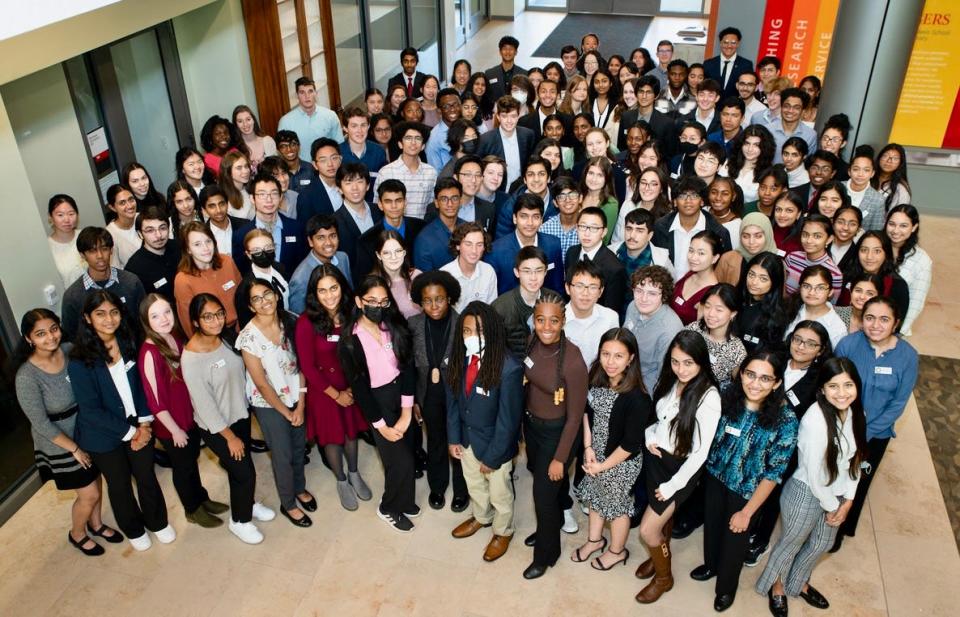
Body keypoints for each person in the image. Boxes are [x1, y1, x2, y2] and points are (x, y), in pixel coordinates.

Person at [756, 356, 867, 615]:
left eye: (848, 385)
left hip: (837, 492)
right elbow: (817, 475)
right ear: (822, 390)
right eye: (834, 386)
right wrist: (832, 506)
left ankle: (799, 582)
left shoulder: (857, 412)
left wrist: (849, 499)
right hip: (806, 492)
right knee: (791, 543)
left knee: (821, 544)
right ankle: (777, 586)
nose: (842, 393)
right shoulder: (814, 420)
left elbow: (856, 459)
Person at [692, 350, 797, 612]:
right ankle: (711, 565)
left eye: (765, 378)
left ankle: (726, 588)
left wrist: (748, 512)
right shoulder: (727, 398)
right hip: (715, 477)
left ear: (776, 383)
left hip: (748, 492)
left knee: (735, 540)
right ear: (741, 374)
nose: (755, 383)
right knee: (713, 527)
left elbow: (774, 473)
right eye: (750, 374)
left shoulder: (786, 420)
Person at [68, 290, 173, 551]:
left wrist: (145, 425)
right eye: (100, 314)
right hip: (103, 436)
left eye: (114, 312)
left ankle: (158, 522)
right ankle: (134, 529)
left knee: (146, 476)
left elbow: (141, 387)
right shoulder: (79, 361)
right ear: (88, 318)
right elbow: (91, 411)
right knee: (120, 484)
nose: (109, 319)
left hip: (140, 424)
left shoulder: (129, 343)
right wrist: (132, 432)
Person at [14, 308, 119, 556]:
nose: (50, 337)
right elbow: (40, 422)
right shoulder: (26, 377)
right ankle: (77, 533)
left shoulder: (70, 351)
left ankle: (96, 525)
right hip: (59, 442)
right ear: (29, 339)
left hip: (85, 429)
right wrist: (75, 449)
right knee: (89, 493)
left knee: (96, 481)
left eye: (53, 329)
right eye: (40, 334)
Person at [635, 330, 721, 604]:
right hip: (657, 459)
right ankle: (659, 553)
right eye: (675, 361)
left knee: (648, 529)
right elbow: (659, 418)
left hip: (680, 471)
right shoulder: (671, 380)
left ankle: (664, 577)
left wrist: (672, 485)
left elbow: (700, 453)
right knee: (661, 523)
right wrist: (650, 437)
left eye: (688, 363)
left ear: (700, 362)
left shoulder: (709, 397)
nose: (681, 369)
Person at [181, 293, 273, 544]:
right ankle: (240, 522)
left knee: (237, 470)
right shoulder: (191, 359)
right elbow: (205, 406)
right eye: (207, 317)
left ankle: (247, 503)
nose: (216, 321)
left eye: (219, 314)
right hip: (218, 428)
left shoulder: (226, 338)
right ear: (196, 321)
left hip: (240, 415)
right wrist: (229, 437)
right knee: (245, 473)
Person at [832, 297, 918, 552]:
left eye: (884, 319)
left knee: (858, 481)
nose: (875, 325)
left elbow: (898, 402)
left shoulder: (908, 356)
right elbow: (833, 386)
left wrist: (864, 433)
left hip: (875, 435)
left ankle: (843, 528)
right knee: (834, 476)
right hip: (841, 426)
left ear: (896, 323)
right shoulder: (848, 345)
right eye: (870, 318)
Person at [746, 320, 834, 565]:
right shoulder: (776, 359)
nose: (802, 347)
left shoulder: (819, 379)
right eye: (798, 339)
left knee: (771, 492)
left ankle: (760, 540)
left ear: (821, 349)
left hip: (787, 446)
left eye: (810, 344)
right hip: (754, 434)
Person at [445, 300, 524, 560]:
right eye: (466, 331)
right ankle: (482, 517)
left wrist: (493, 457)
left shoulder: (508, 367)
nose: (471, 337)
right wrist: (454, 438)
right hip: (467, 440)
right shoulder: (459, 358)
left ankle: (503, 530)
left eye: (478, 331)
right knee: (474, 485)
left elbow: (508, 421)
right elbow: (454, 403)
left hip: (495, 447)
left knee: (500, 493)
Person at [137, 293, 226, 528]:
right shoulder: (149, 352)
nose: (164, 319)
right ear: (146, 321)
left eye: (167, 312)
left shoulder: (173, 337)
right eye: (155, 316)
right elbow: (155, 402)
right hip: (171, 427)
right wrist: (174, 430)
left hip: (188, 418)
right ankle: (192, 509)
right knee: (183, 468)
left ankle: (202, 499)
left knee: (192, 462)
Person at [338, 275, 418, 532]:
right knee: (399, 461)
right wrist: (381, 425)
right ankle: (389, 507)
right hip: (377, 401)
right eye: (371, 301)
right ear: (359, 302)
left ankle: (404, 500)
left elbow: (407, 366)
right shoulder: (350, 341)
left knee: (409, 451)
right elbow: (360, 389)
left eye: (383, 301)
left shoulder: (394, 325)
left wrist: (407, 411)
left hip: (402, 394)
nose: (378, 306)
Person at [521, 291, 588, 579]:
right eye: (540, 320)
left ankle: (546, 555)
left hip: (558, 434)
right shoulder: (532, 341)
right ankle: (549, 531)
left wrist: (561, 458)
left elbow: (575, 417)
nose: (546, 327)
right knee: (547, 488)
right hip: (533, 428)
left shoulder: (573, 360)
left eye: (553, 321)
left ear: (563, 321)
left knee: (542, 496)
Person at [236, 277, 313, 527]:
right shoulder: (248, 337)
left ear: (277, 295)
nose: (264, 301)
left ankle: (300, 488)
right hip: (269, 404)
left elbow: (303, 363)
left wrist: (300, 404)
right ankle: (288, 502)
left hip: (296, 394)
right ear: (250, 306)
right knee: (282, 454)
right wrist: (286, 412)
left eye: (267, 294)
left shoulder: (291, 320)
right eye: (256, 299)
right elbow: (260, 382)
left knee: (299, 447)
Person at [573, 328, 653, 570]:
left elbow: (630, 445)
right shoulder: (596, 377)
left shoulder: (638, 398)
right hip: (595, 453)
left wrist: (602, 466)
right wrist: (588, 448)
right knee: (596, 498)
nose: (610, 362)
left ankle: (617, 551)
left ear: (631, 359)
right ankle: (594, 541)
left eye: (618, 356)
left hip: (621, 461)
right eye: (605, 353)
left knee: (617, 508)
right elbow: (587, 414)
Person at [294, 265, 371, 510]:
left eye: (334, 288)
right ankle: (341, 480)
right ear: (314, 294)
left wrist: (352, 390)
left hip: (350, 387)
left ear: (342, 287)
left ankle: (354, 473)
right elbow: (307, 367)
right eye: (322, 290)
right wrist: (336, 394)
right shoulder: (306, 322)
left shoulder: (352, 314)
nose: (329, 296)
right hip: (324, 392)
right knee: (332, 439)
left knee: (351, 433)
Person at [408, 270, 469, 512]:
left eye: (440, 299)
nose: (434, 305)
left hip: (456, 395)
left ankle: (461, 489)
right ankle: (437, 486)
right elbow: (408, 367)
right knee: (435, 440)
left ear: (450, 298)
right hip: (428, 394)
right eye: (427, 300)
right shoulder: (413, 325)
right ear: (420, 301)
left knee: (458, 442)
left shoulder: (464, 324)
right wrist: (413, 400)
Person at [61, 227, 146, 341]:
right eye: (92, 251)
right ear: (82, 255)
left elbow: (144, 322)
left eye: (104, 249)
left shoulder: (131, 282)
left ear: (111, 250)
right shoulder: (73, 296)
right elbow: (71, 338)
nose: (100, 255)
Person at [653, 176, 732, 278]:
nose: (688, 200)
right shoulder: (660, 227)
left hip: (703, 290)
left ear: (702, 201)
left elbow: (724, 269)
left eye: (694, 195)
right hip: (667, 289)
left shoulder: (718, 232)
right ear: (675, 202)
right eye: (682, 196)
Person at [487, 193, 565, 295]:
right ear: (515, 218)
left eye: (535, 217)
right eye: (524, 216)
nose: (530, 223)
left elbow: (557, 288)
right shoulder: (496, 251)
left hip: (544, 307)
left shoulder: (553, 245)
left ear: (541, 220)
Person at [564, 207, 627, 320]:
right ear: (577, 228)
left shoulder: (614, 268)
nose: (587, 233)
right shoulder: (571, 252)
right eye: (583, 227)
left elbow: (611, 310)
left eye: (594, 228)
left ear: (604, 232)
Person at [684, 283, 747, 390]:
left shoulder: (737, 351)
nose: (711, 314)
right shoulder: (694, 329)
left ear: (733, 314)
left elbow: (739, 388)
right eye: (707, 307)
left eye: (719, 310)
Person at [288, 214, 352, 314]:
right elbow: (298, 317)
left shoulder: (343, 258)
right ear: (310, 241)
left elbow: (349, 295)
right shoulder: (300, 279)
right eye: (321, 238)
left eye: (333, 236)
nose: (328, 242)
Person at [840, 231, 910, 321]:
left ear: (886, 254)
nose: (869, 257)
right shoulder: (847, 276)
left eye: (877, 251)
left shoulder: (898, 286)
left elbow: (896, 323)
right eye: (864, 250)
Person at [374, 121, 438, 220]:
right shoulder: (386, 172)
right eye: (408, 138)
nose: (413, 142)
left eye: (418, 138)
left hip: (422, 228)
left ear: (423, 146)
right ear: (400, 144)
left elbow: (432, 206)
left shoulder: (431, 173)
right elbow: (377, 205)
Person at [564, 260, 621, 368]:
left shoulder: (610, 318)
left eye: (593, 287)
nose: (585, 293)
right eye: (579, 286)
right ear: (568, 288)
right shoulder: (556, 320)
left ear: (601, 291)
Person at [492, 245, 546, 356]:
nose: (533, 277)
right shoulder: (500, 307)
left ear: (545, 272)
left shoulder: (554, 300)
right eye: (527, 271)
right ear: (517, 272)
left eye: (539, 271)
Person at [886, 204, 931, 336]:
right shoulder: (876, 246)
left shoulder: (921, 260)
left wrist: (899, 331)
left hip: (893, 327)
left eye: (903, 226)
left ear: (914, 227)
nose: (895, 230)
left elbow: (916, 301)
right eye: (892, 224)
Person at [477, 95, 536, 188]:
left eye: (513, 116)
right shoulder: (485, 140)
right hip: (497, 191)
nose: (509, 121)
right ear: (498, 117)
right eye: (504, 116)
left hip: (522, 189)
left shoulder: (528, 135)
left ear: (518, 116)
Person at [124, 206, 179, 302]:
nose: (158, 235)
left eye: (162, 228)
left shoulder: (180, 247)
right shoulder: (134, 268)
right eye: (150, 230)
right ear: (140, 234)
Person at [785, 265, 848, 348]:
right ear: (800, 288)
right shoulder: (789, 308)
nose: (811, 292)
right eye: (806, 286)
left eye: (820, 288)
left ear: (830, 292)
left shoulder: (837, 328)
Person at [783, 214, 843, 301]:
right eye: (805, 235)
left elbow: (830, 306)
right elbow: (781, 288)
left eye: (817, 236)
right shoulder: (792, 258)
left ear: (829, 239)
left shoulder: (835, 274)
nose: (809, 241)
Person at [736, 252, 789, 351]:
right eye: (751, 274)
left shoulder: (777, 316)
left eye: (763, 279)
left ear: (775, 282)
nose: (754, 282)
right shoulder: (735, 297)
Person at [440, 222, 497, 311]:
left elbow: (490, 309)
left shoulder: (488, 271)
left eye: (479, 245)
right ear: (458, 246)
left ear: (484, 248)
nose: (474, 251)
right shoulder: (444, 276)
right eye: (468, 244)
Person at [671, 230, 722, 325]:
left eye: (701, 253)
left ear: (715, 258)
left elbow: (701, 332)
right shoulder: (690, 274)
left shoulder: (711, 294)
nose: (693, 257)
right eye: (691, 251)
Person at [610, 208, 675, 282]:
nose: (632, 235)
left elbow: (671, 289)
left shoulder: (662, 260)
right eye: (629, 229)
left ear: (650, 235)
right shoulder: (610, 251)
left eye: (639, 231)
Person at [278, 76, 344, 147]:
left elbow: (339, 145)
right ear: (297, 95)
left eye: (310, 91)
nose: (307, 96)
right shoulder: (286, 122)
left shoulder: (330, 116)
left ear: (316, 93)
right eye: (302, 92)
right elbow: (282, 151)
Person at [715, 212, 778, 286]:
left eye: (758, 236)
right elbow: (715, 289)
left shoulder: (777, 264)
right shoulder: (727, 259)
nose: (751, 242)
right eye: (745, 236)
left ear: (768, 235)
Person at [370, 230, 421, 319]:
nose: (394, 257)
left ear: (404, 253)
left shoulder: (417, 276)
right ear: (378, 255)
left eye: (398, 251)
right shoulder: (373, 284)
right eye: (386, 253)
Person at [339, 107, 387, 201]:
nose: (360, 130)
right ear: (345, 128)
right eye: (354, 126)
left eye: (363, 125)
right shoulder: (338, 153)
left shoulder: (379, 151)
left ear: (368, 126)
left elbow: (383, 184)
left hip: (374, 206)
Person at [728, 125, 776, 206]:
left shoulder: (769, 173)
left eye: (756, 145)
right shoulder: (728, 164)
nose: (750, 149)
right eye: (747, 143)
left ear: (765, 147)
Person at [768, 88, 818, 162]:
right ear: (781, 107)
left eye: (796, 108)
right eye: (787, 106)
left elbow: (809, 163)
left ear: (803, 111)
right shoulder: (768, 130)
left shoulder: (810, 135)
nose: (790, 111)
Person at [46, 194, 86, 286]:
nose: (67, 219)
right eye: (60, 215)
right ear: (50, 217)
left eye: (71, 214)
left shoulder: (85, 236)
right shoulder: (47, 248)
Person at [704, 27, 755, 98]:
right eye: (726, 42)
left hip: (735, 107)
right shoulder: (708, 64)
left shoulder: (746, 65)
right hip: (711, 106)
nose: (729, 46)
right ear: (720, 43)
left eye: (733, 43)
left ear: (738, 44)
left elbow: (749, 88)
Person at [844, 145, 886, 231]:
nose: (860, 174)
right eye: (856, 169)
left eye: (866, 170)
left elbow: (876, 231)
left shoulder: (878, 200)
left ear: (872, 173)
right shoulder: (836, 188)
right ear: (849, 171)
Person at [200, 185, 247, 256]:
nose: (218, 210)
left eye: (221, 204)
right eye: (212, 206)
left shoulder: (245, 226)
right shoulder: (202, 234)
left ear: (227, 204)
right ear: (204, 210)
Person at [425, 88, 464, 170]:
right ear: (439, 111)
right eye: (446, 106)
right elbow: (436, 174)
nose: (452, 109)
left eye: (456, 104)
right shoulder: (434, 138)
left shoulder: (467, 128)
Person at [104, 184, 140, 268]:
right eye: (122, 203)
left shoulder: (144, 218)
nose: (130, 206)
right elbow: (115, 269)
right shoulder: (109, 234)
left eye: (131, 200)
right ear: (112, 207)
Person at [234, 105, 277, 171]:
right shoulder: (235, 147)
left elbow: (276, 169)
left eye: (248, 119)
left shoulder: (267, 141)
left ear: (253, 120)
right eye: (240, 121)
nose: (245, 124)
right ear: (236, 124)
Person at [485, 36, 527, 101]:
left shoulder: (524, 74)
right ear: (500, 52)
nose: (508, 52)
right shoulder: (490, 74)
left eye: (511, 49)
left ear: (516, 52)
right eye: (504, 49)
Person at [707, 176, 744, 248]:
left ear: (733, 197)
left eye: (725, 194)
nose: (718, 198)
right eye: (714, 192)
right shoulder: (702, 212)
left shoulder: (737, 225)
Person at [872, 143, 911, 210]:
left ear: (900, 163)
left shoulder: (901, 189)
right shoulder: (867, 178)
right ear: (879, 158)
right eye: (885, 156)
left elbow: (899, 215)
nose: (889, 161)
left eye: (895, 158)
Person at [218, 150, 254, 220]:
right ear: (228, 172)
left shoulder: (251, 189)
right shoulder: (223, 198)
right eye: (239, 168)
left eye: (246, 166)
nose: (245, 171)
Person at [829, 205, 862, 274]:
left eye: (852, 224)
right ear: (833, 223)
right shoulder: (820, 247)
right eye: (840, 222)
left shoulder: (859, 255)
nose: (845, 228)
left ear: (858, 229)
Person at [770, 190, 804, 254]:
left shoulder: (803, 239)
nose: (782, 215)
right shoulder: (766, 229)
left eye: (789, 210)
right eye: (778, 209)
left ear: (798, 214)